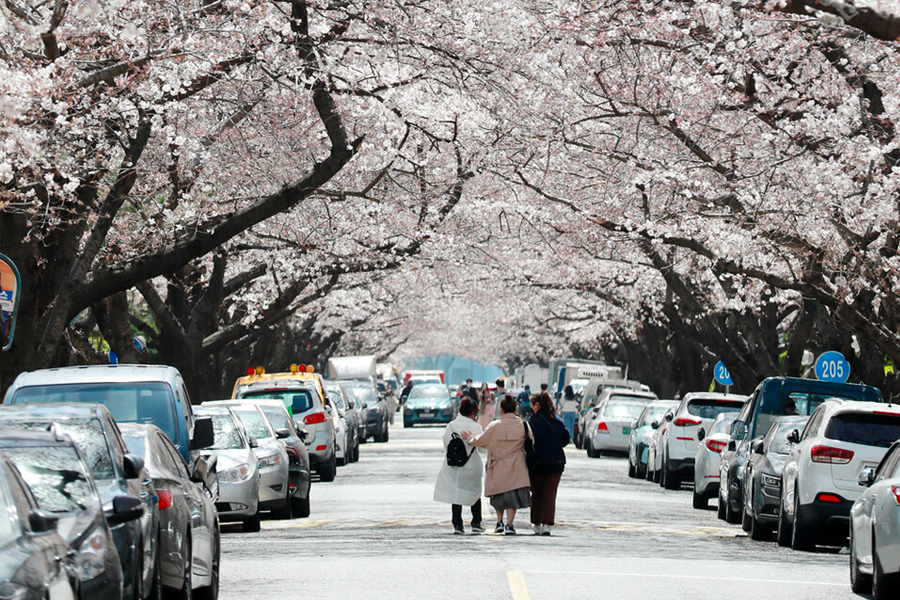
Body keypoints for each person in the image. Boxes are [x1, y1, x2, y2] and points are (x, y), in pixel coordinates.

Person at [462, 394, 534, 535]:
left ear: (501, 409)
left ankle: (499, 521)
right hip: (517, 466)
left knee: (499, 496)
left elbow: (481, 440)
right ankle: (510, 524)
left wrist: (469, 438)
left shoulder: (494, 425)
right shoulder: (523, 424)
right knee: (513, 497)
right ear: (515, 409)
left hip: (497, 465)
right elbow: (532, 441)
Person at [434, 398, 485, 535]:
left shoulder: (451, 426)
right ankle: (476, 522)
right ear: (472, 413)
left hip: (453, 466)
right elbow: (482, 446)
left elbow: (446, 445)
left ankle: (458, 524)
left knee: (456, 494)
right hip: (472, 465)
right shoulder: (475, 427)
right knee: (475, 493)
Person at [527, 393, 570, 535]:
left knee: (537, 493)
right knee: (550, 494)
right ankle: (547, 524)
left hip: (537, 463)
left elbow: (526, 441)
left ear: (537, 405)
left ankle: (537, 523)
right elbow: (565, 439)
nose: (531, 407)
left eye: (532, 404)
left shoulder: (531, 422)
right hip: (555, 463)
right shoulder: (556, 421)